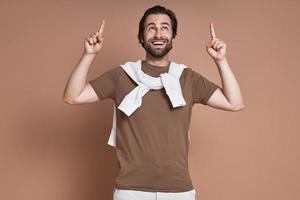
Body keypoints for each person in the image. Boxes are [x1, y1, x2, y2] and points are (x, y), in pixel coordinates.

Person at [63, 5, 245, 200]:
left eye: (165, 27)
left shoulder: (187, 78)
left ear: (173, 34)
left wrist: (221, 60)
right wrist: (89, 55)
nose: (158, 34)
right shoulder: (122, 76)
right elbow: (73, 96)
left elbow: (234, 102)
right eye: (151, 28)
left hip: (179, 191)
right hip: (130, 191)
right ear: (141, 36)